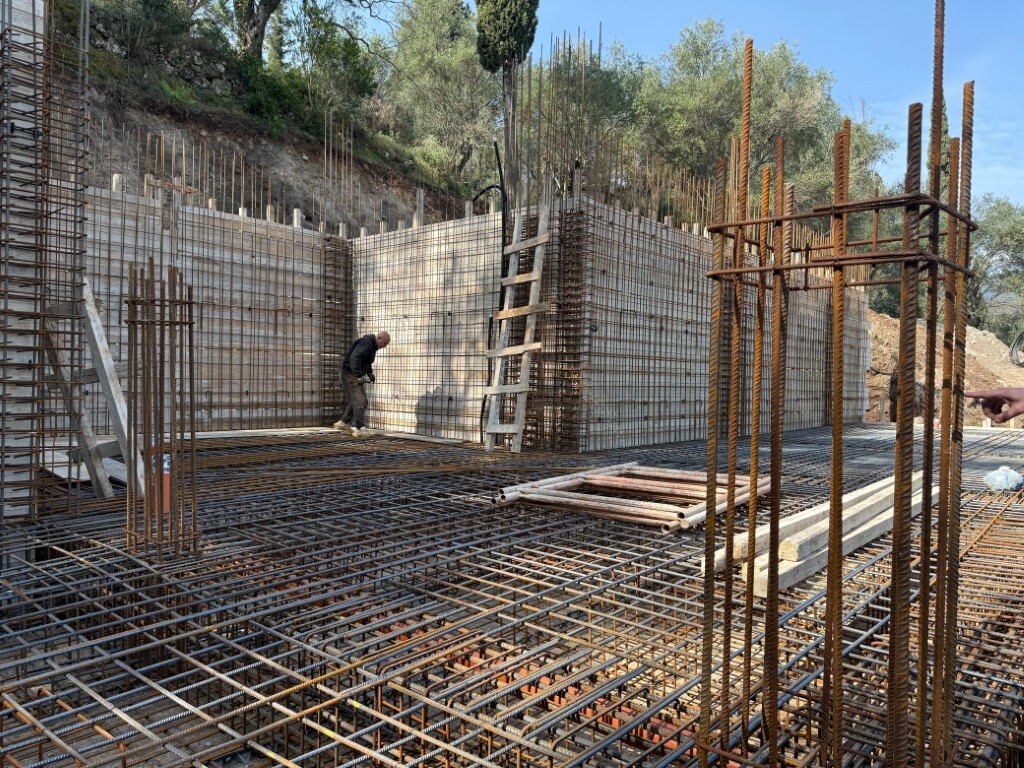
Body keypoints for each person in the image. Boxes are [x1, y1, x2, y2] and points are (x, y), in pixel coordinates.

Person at [334, 331, 390, 436]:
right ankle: (360, 428)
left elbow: (366, 361)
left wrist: (369, 372)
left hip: (352, 374)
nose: (385, 346)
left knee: (359, 400)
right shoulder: (366, 343)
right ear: (378, 338)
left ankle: (343, 422)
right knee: (360, 401)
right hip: (350, 374)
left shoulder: (372, 346)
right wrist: (359, 375)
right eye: (384, 343)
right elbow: (355, 358)